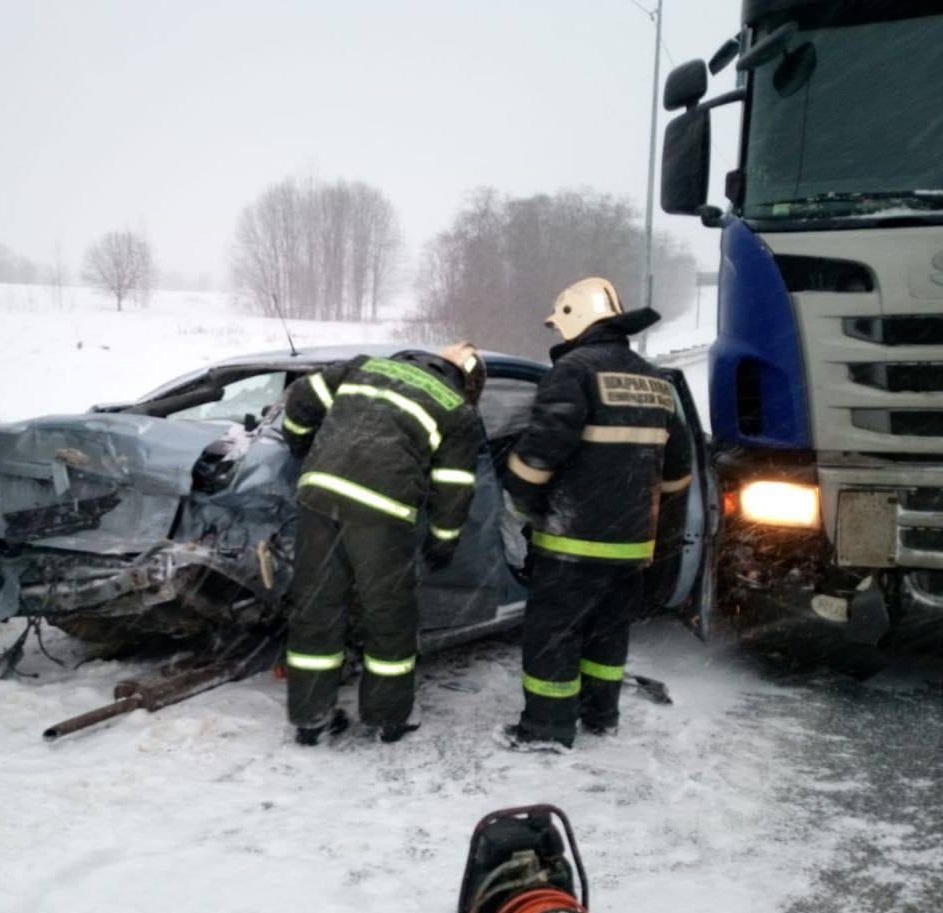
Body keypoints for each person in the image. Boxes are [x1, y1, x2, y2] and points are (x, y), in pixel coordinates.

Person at [503, 278, 691, 748]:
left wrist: (521, 503)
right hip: (629, 547)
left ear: (575, 317)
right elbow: (678, 473)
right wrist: (650, 525)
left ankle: (546, 728)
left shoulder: (575, 372)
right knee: (608, 635)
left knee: (555, 635)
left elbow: (539, 456)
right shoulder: (655, 381)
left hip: (571, 542)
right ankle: (600, 716)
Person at [281, 344, 486, 745]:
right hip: (382, 511)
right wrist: (443, 541)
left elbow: (303, 395)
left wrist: (300, 441)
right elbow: (454, 487)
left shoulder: (364, 366)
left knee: (317, 611)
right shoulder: (457, 409)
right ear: (466, 380)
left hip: (319, 497)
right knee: (388, 619)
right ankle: (385, 719)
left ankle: (310, 720)